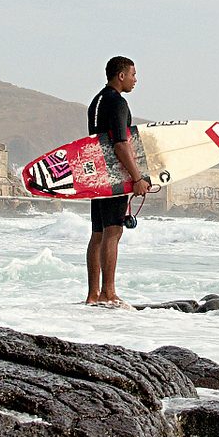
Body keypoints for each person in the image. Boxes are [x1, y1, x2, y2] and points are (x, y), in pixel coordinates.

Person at [85, 55, 148, 306]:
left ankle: (93, 295)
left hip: (96, 176)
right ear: (121, 76)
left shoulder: (96, 101)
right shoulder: (118, 102)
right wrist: (137, 177)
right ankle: (108, 293)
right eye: (133, 74)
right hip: (113, 176)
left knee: (98, 233)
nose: (135, 79)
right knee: (113, 232)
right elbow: (121, 144)